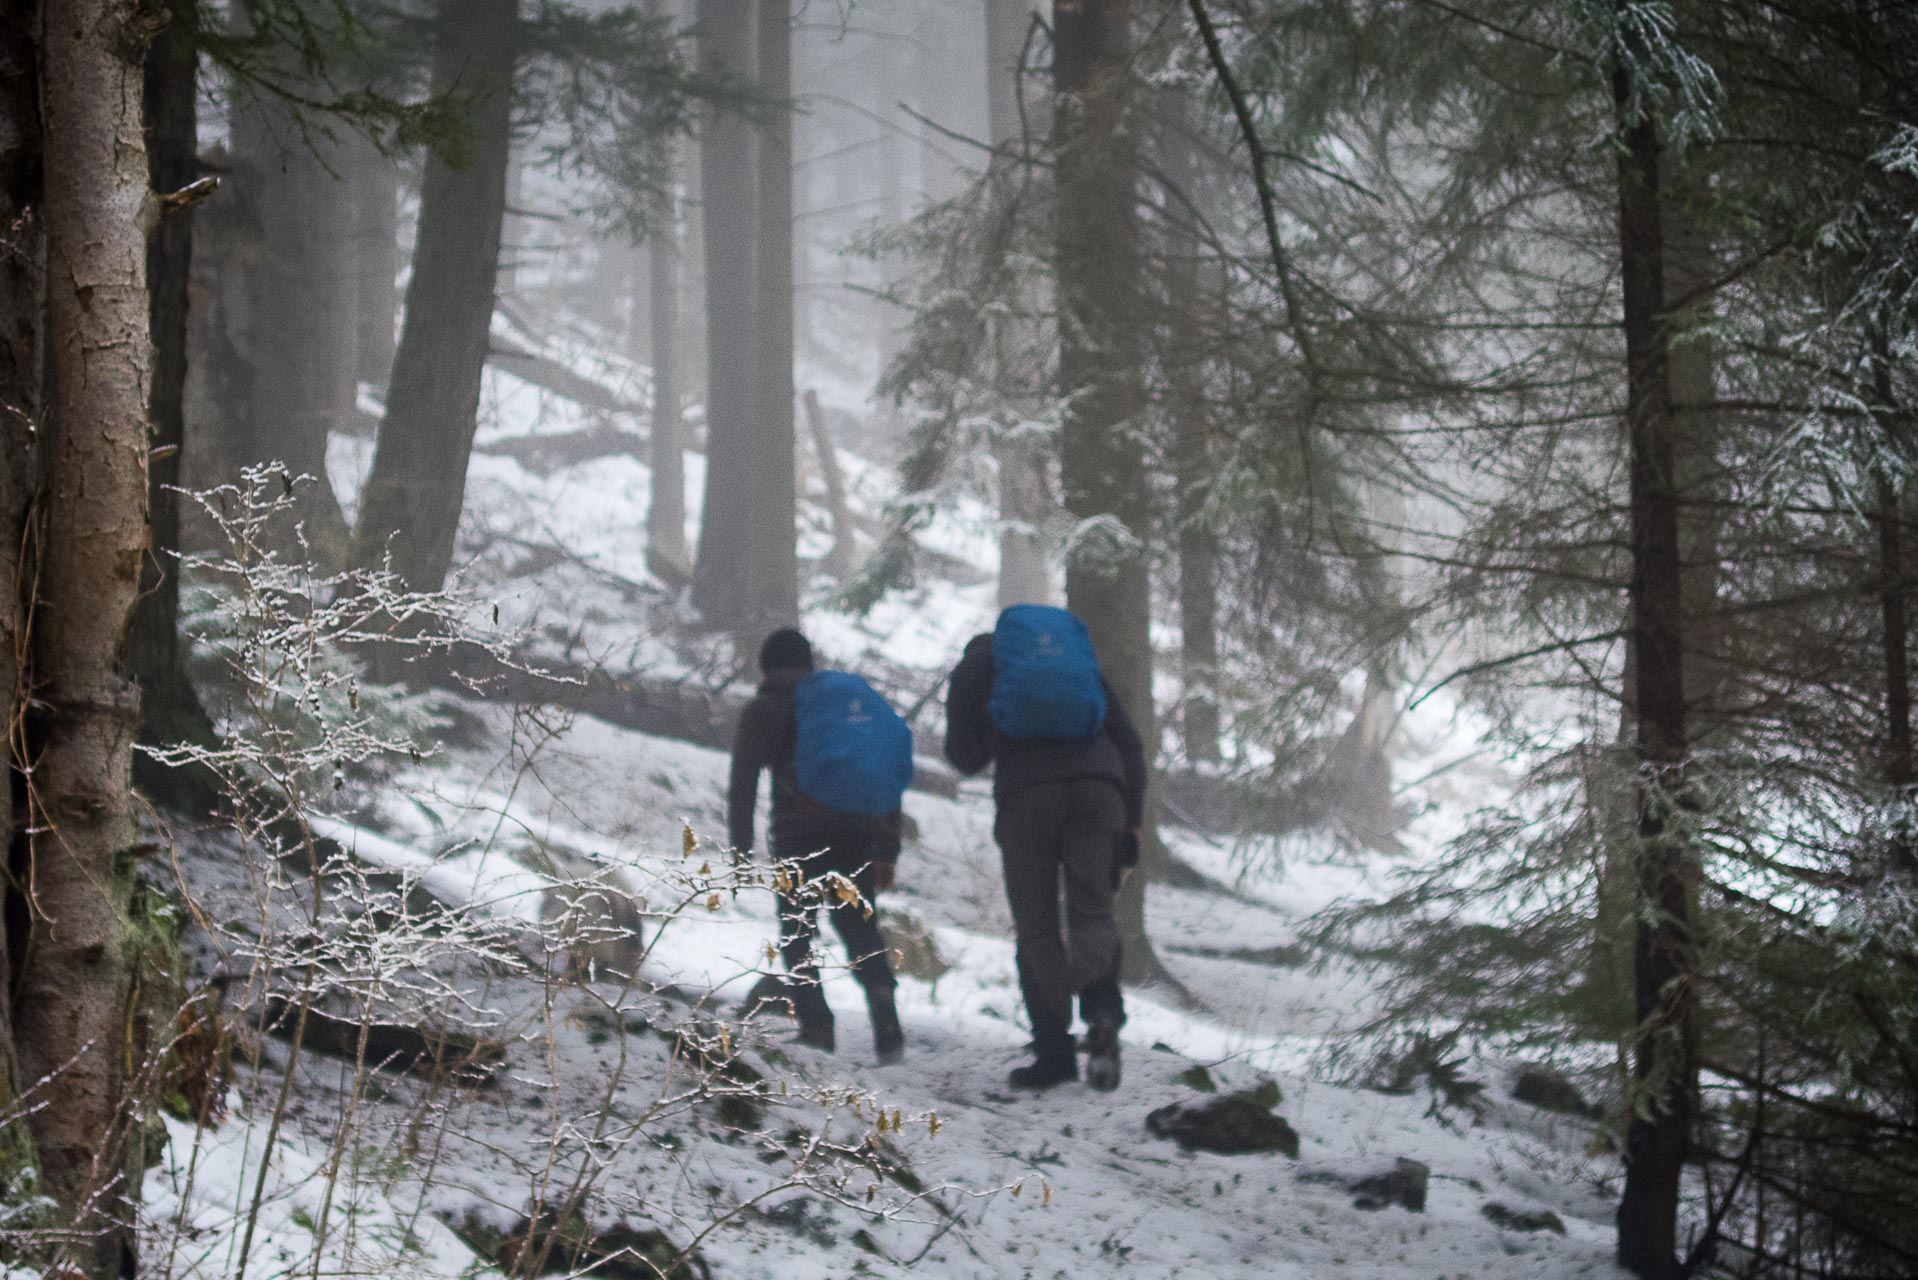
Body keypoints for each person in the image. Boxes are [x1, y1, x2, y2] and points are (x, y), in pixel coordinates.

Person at [943, 613, 1148, 1091]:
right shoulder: (1078, 665)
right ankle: (1100, 1015)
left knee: (1036, 924)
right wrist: (1133, 819)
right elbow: (1130, 744)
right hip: (1100, 791)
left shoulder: (976, 668)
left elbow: (963, 757)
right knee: (1093, 912)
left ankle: (1054, 1054)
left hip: (1028, 798)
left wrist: (996, 728)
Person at [730, 627, 906, 1064]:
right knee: (860, 924)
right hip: (857, 829)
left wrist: (740, 852)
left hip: (799, 830)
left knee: (797, 931)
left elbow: (743, 785)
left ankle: (816, 1024)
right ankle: (886, 1018)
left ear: (767, 667)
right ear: (809, 663)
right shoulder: (840, 708)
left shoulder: (763, 709)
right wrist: (887, 848)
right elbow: (881, 772)